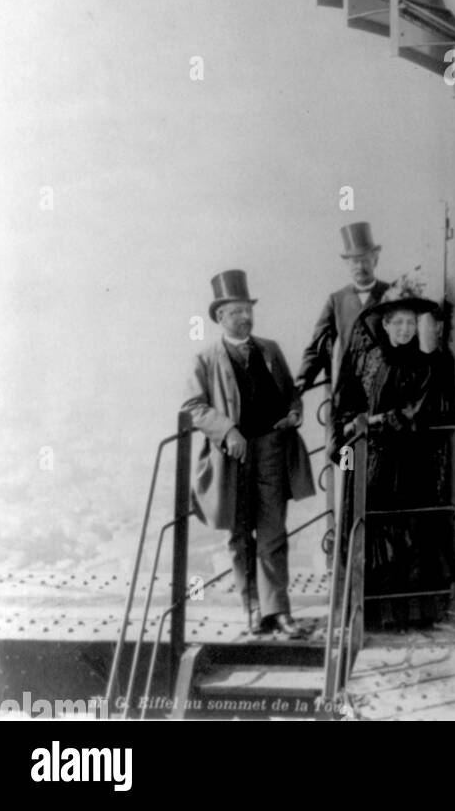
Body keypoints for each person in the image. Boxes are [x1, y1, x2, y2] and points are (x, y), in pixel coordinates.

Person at [183, 269, 315, 637]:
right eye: (236, 311)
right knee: (240, 535)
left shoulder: (270, 349)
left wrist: (293, 413)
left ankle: (279, 611)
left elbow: (290, 392)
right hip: (232, 459)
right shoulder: (206, 358)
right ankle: (253, 609)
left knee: (273, 531)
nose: (245, 316)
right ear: (220, 317)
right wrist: (227, 431)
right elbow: (193, 406)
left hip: (273, 448)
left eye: (247, 309)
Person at [331, 275, 455, 630]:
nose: (404, 329)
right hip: (368, 460)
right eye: (397, 322)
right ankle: (368, 613)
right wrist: (348, 428)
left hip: (408, 462)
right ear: (384, 324)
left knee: (408, 536)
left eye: (410, 322)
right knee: (369, 531)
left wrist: (375, 422)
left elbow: (421, 411)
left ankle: (408, 615)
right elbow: (346, 399)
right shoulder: (367, 358)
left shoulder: (427, 364)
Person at [294, 221, 391, 397]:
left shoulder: (392, 294)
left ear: (375, 260)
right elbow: (318, 345)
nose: (360, 267)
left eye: (365, 260)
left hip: (385, 387)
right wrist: (303, 378)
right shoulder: (336, 300)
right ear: (347, 264)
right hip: (348, 390)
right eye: (354, 261)